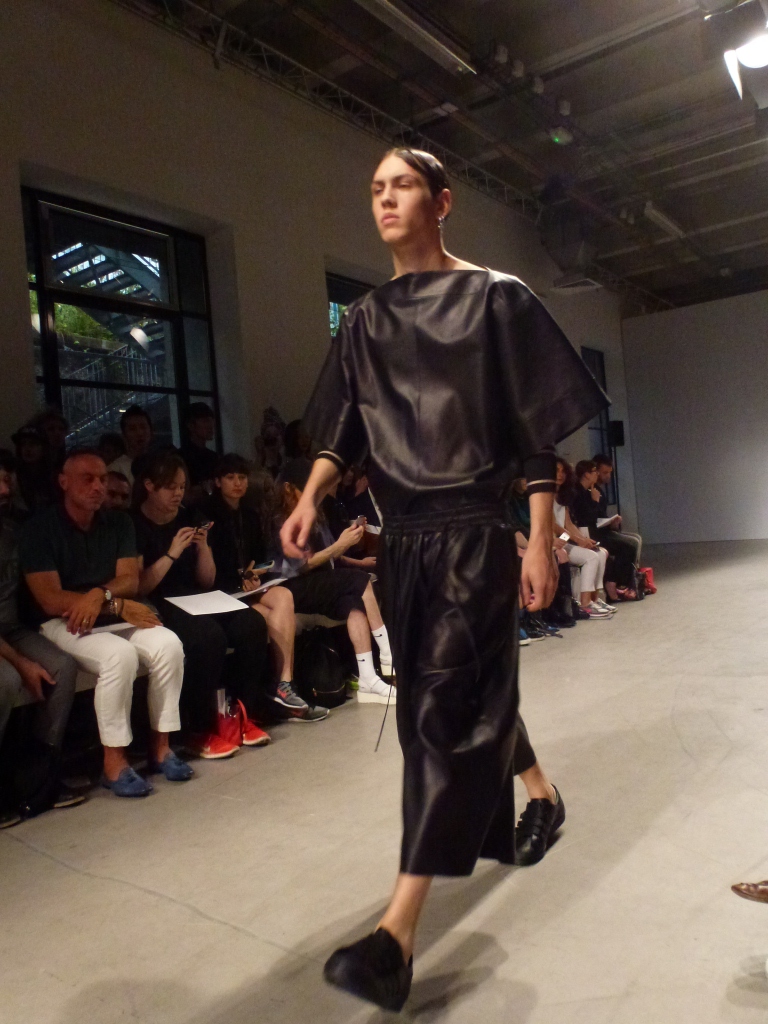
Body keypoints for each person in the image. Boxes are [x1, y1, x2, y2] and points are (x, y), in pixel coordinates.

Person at [281, 146, 607, 1010]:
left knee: (437, 715)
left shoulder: (497, 299)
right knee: (457, 693)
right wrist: (310, 496)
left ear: (443, 200)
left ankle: (396, 935)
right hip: (405, 545)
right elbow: (342, 426)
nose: (386, 199)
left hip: (474, 535)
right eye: (375, 187)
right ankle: (542, 793)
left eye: (402, 185)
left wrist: (539, 537)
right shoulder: (362, 320)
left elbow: (535, 431)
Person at [20, 449, 191, 798]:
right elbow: (50, 598)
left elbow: (129, 579)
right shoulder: (40, 528)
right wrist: (109, 601)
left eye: (101, 479)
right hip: (62, 621)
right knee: (119, 656)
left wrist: (101, 596)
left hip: (112, 611)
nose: (98, 487)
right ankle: (114, 763)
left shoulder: (118, 522)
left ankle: (161, 748)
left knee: (169, 644)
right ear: (64, 482)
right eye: (88, 479)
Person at [133, 451, 297, 760]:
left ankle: (243, 713)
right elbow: (140, 585)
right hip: (160, 600)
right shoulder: (136, 523)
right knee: (209, 638)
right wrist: (171, 553)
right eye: (170, 487)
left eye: (182, 486)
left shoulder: (188, 515)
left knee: (252, 624)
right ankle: (199, 726)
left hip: (197, 595)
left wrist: (204, 548)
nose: (178, 493)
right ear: (149, 486)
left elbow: (206, 580)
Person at [0, 450, 84, 827]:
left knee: (62, 667)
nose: (5, 490)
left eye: (7, 481)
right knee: (6, 680)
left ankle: (38, 777)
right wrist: (21, 662)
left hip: (12, 628)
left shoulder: (15, 530)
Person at [203, 453, 316, 722]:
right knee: (269, 619)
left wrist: (254, 574)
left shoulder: (250, 515)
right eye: (230, 477)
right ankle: (273, 692)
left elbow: (260, 558)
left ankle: (284, 683)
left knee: (283, 596)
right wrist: (241, 578)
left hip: (247, 586)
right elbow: (209, 569)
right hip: (220, 591)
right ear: (217, 481)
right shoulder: (207, 515)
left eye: (242, 477)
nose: (238, 483)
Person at [276, 460, 394, 703]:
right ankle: (387, 653)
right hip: (292, 586)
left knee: (353, 602)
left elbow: (332, 553)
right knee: (360, 580)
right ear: (289, 488)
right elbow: (300, 565)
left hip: (322, 581)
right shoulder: (281, 519)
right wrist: (340, 546)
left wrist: (348, 541)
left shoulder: (316, 514)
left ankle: (368, 678)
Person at [554, 459, 613, 618]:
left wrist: (583, 539)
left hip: (564, 538)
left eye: (563, 471)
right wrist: (577, 539)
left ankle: (595, 599)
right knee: (591, 557)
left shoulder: (563, 495)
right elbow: (554, 526)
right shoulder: (546, 495)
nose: (560, 475)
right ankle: (585, 603)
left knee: (600, 553)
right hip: (554, 540)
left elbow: (568, 523)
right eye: (556, 471)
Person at [570, 460, 636, 598]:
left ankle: (605, 592)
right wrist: (578, 539)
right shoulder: (576, 494)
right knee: (619, 548)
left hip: (589, 532)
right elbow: (582, 519)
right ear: (586, 474)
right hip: (582, 533)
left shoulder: (592, 490)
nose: (597, 474)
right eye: (595, 471)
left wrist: (610, 522)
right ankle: (605, 589)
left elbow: (595, 516)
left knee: (628, 545)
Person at [593, 453, 643, 565]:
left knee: (636, 538)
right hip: (594, 534)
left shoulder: (598, 491)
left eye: (609, 472)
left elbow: (599, 516)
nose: (608, 476)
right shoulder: (590, 492)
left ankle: (632, 572)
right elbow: (590, 518)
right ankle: (620, 575)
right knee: (631, 544)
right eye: (605, 472)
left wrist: (611, 523)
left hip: (600, 530)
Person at [11, 425, 56, 512]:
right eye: (23, 444)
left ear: (44, 448)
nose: (27, 449)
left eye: (34, 443)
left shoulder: (54, 475)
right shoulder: (14, 477)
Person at [108, 405, 153, 487]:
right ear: (124, 435)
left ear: (151, 431)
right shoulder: (116, 469)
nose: (139, 433)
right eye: (132, 429)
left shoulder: (160, 464)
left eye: (143, 427)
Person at [179, 402, 218, 491]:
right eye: (205, 421)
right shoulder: (180, 458)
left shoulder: (214, 457)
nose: (210, 425)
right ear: (190, 425)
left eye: (211, 420)